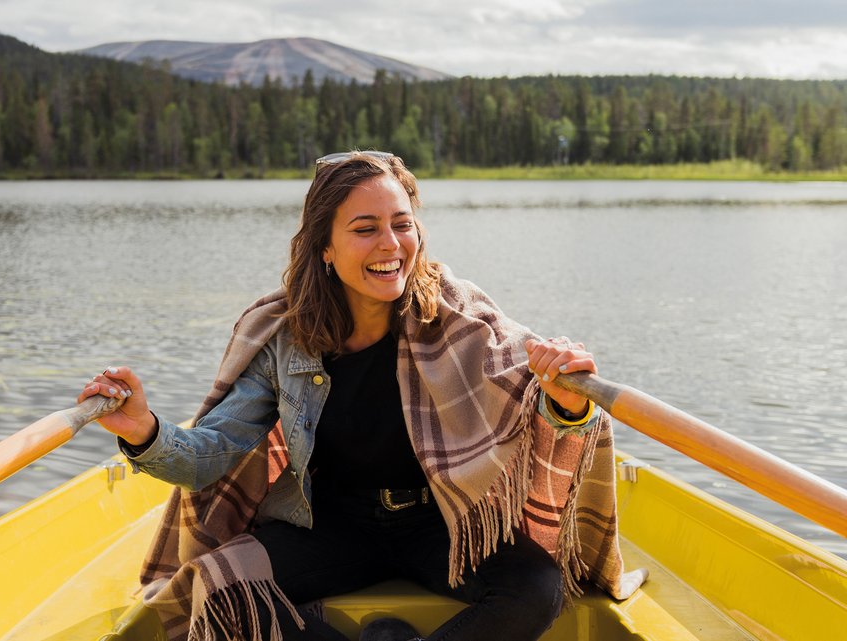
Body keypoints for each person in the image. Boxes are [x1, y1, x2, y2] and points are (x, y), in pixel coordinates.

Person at [77, 151, 638, 641]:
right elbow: (212, 454)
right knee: (216, 590)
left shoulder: (459, 316)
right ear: (325, 247)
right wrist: (143, 430)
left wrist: (566, 395)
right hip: (331, 524)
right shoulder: (285, 340)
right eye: (365, 228)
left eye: (402, 224)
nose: (390, 245)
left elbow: (531, 389)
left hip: (440, 523)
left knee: (538, 587)